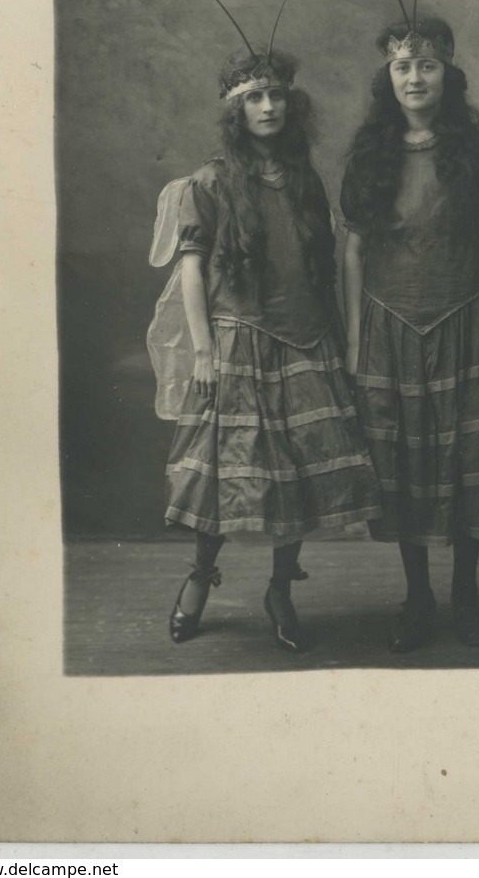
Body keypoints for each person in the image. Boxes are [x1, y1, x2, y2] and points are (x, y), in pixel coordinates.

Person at [149, 42, 381, 653]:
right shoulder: (209, 183)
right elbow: (193, 269)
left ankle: (281, 588)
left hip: (306, 337)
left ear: (291, 104)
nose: (268, 106)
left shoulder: (304, 176)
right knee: (230, 478)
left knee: (297, 474)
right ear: (236, 111)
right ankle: (200, 579)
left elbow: (316, 264)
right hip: (240, 340)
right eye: (254, 97)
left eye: (276, 94)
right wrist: (204, 351)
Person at [340, 15, 479, 654]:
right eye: (402, 66)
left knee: (467, 466)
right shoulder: (370, 157)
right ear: (387, 77)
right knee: (403, 469)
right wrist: (354, 339)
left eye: (426, 65)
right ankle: (417, 596)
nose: (414, 77)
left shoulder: (477, 155)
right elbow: (354, 253)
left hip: (467, 324)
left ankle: (466, 594)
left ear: (448, 72)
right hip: (390, 331)